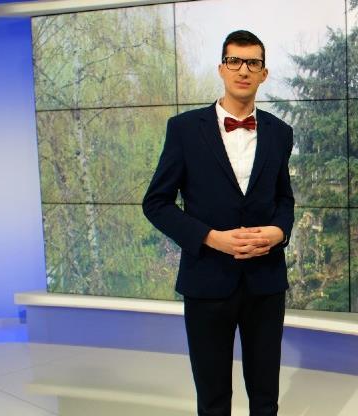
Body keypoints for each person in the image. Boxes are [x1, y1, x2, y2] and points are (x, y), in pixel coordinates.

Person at [142, 29, 295, 416]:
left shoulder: (280, 133)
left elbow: (284, 200)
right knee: (212, 400)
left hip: (265, 283)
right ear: (222, 68)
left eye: (253, 63)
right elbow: (156, 203)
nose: (243, 70)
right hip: (206, 281)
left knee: (265, 398)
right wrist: (210, 238)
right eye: (234, 61)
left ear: (264, 73)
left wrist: (278, 232)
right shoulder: (184, 129)